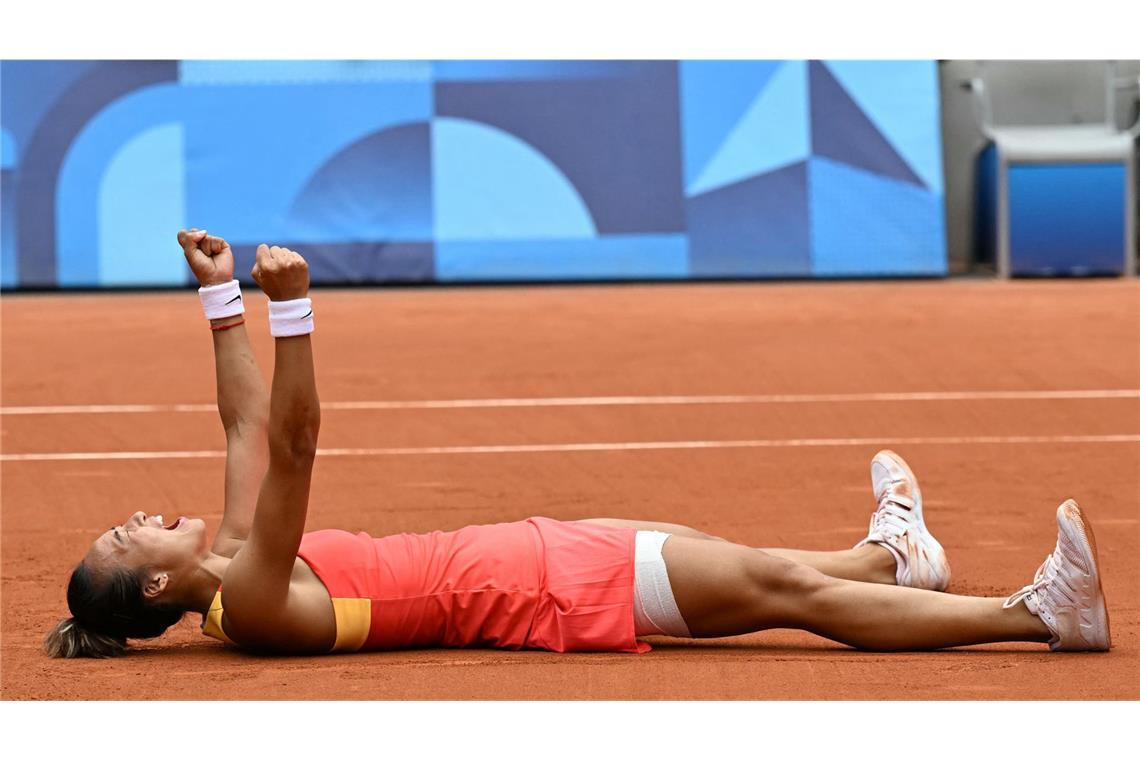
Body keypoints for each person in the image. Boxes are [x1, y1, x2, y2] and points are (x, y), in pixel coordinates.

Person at [44, 230, 1111, 658]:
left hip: (544, 555)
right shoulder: (262, 607)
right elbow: (294, 444)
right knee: (785, 588)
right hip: (556, 590)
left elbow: (242, 425)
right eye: (124, 537)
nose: (137, 516)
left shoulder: (228, 574)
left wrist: (223, 296)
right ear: (151, 593)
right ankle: (1034, 617)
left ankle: (893, 558)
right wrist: (297, 312)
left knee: (770, 573)